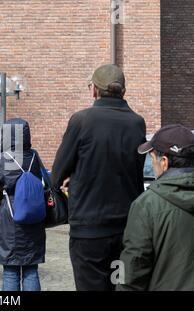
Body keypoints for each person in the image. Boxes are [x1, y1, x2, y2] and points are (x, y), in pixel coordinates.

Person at [51, 64, 147, 291]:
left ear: (94, 90)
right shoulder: (137, 122)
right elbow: (134, 168)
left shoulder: (82, 120)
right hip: (126, 229)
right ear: (123, 91)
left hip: (89, 231)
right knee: (119, 286)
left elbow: (57, 174)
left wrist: (71, 179)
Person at [117, 124, 194, 291]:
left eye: (152, 159)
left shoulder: (147, 205)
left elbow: (132, 268)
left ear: (164, 162)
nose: (153, 165)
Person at [0, 118, 46, 291]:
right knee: (31, 268)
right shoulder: (34, 156)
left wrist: (2, 195)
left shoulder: (3, 159)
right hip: (34, 217)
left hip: (9, 219)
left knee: (11, 269)